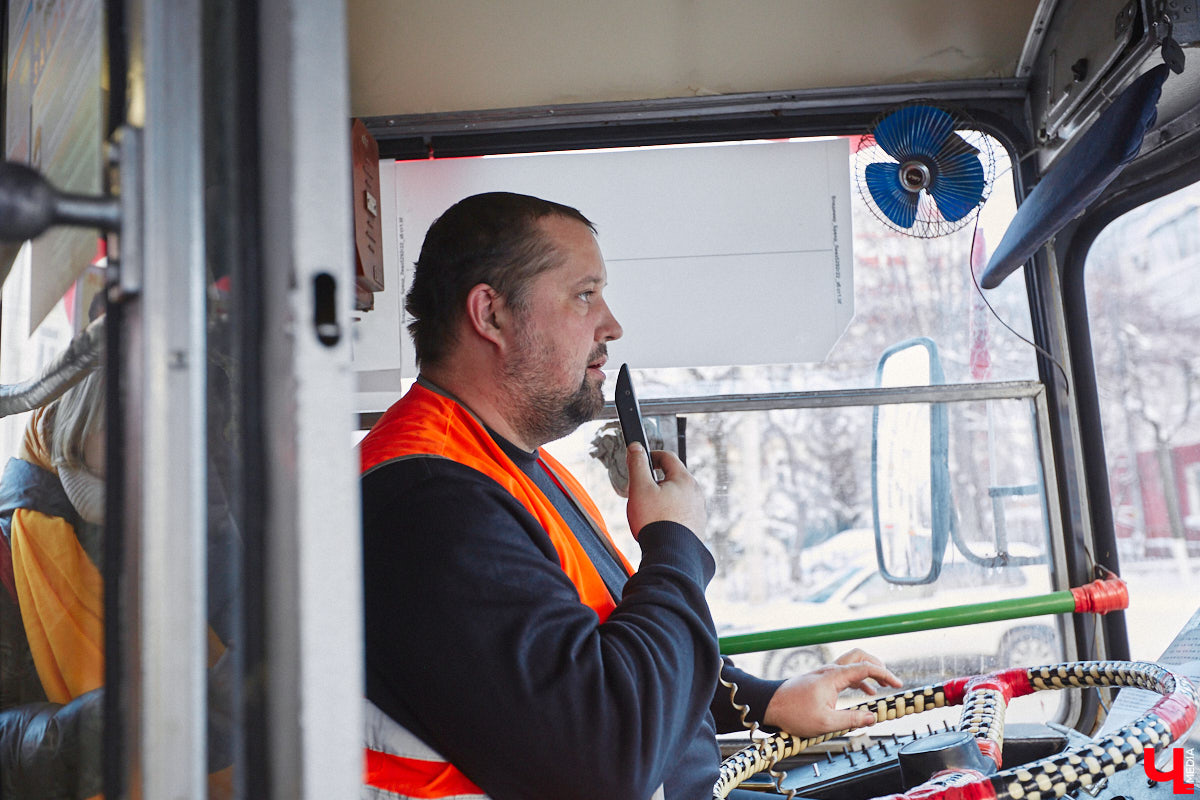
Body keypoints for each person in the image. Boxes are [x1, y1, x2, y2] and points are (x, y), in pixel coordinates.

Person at [360, 192, 901, 800]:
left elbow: (601, 657)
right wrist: (676, 546)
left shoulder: (508, 467)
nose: (611, 325)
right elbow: (607, 756)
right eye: (585, 294)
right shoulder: (428, 504)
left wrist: (764, 699)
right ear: (491, 315)